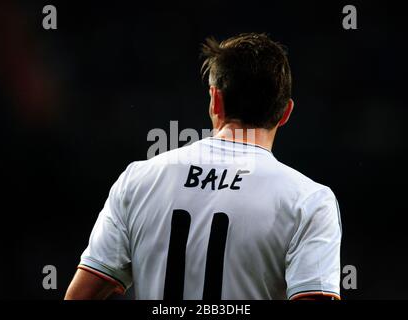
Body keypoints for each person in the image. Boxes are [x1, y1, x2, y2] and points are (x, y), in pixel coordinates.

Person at [65, 33, 342, 300]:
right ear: (285, 113)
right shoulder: (309, 202)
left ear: (215, 100)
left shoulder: (138, 180)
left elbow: (80, 295)